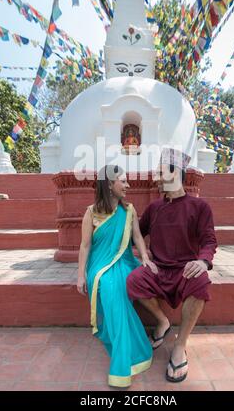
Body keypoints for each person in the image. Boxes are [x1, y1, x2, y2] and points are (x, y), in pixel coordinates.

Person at [127, 148, 218, 383]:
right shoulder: (154, 208)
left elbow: (209, 240)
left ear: (174, 172)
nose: (155, 177)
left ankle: (180, 345)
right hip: (158, 270)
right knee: (133, 280)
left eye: (159, 172)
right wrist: (141, 253)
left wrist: (202, 260)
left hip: (184, 271)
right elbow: (136, 234)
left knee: (201, 283)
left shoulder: (200, 207)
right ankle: (163, 321)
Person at [77, 165, 155, 388]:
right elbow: (85, 246)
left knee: (116, 287)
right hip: (99, 266)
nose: (128, 184)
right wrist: (80, 275)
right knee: (108, 284)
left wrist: (146, 259)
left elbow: (138, 238)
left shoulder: (129, 210)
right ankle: (124, 352)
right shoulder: (91, 212)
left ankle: (121, 363)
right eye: (123, 180)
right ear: (109, 185)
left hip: (124, 262)